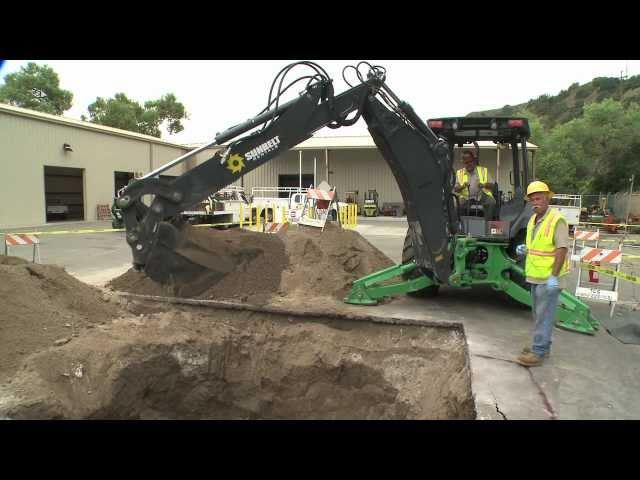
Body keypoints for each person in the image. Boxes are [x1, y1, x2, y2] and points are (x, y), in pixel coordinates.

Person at [515, 181, 570, 367]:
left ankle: (538, 352)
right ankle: (542, 347)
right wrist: (526, 250)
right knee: (539, 315)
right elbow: (538, 246)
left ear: (547, 198)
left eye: (538, 198)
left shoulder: (557, 220)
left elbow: (561, 249)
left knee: (544, 315)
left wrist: (554, 276)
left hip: (549, 278)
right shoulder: (533, 220)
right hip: (536, 276)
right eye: (532, 199)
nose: (535, 202)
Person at [454, 150, 496, 220]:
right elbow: (456, 189)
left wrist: (483, 185)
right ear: (463, 163)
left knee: (491, 202)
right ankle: (459, 225)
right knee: (455, 205)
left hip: (481, 196)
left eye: (470, 161)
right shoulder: (459, 173)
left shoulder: (483, 170)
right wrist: (462, 186)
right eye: (466, 163)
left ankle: (486, 224)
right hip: (466, 197)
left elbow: (493, 186)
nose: (469, 164)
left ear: (474, 161)